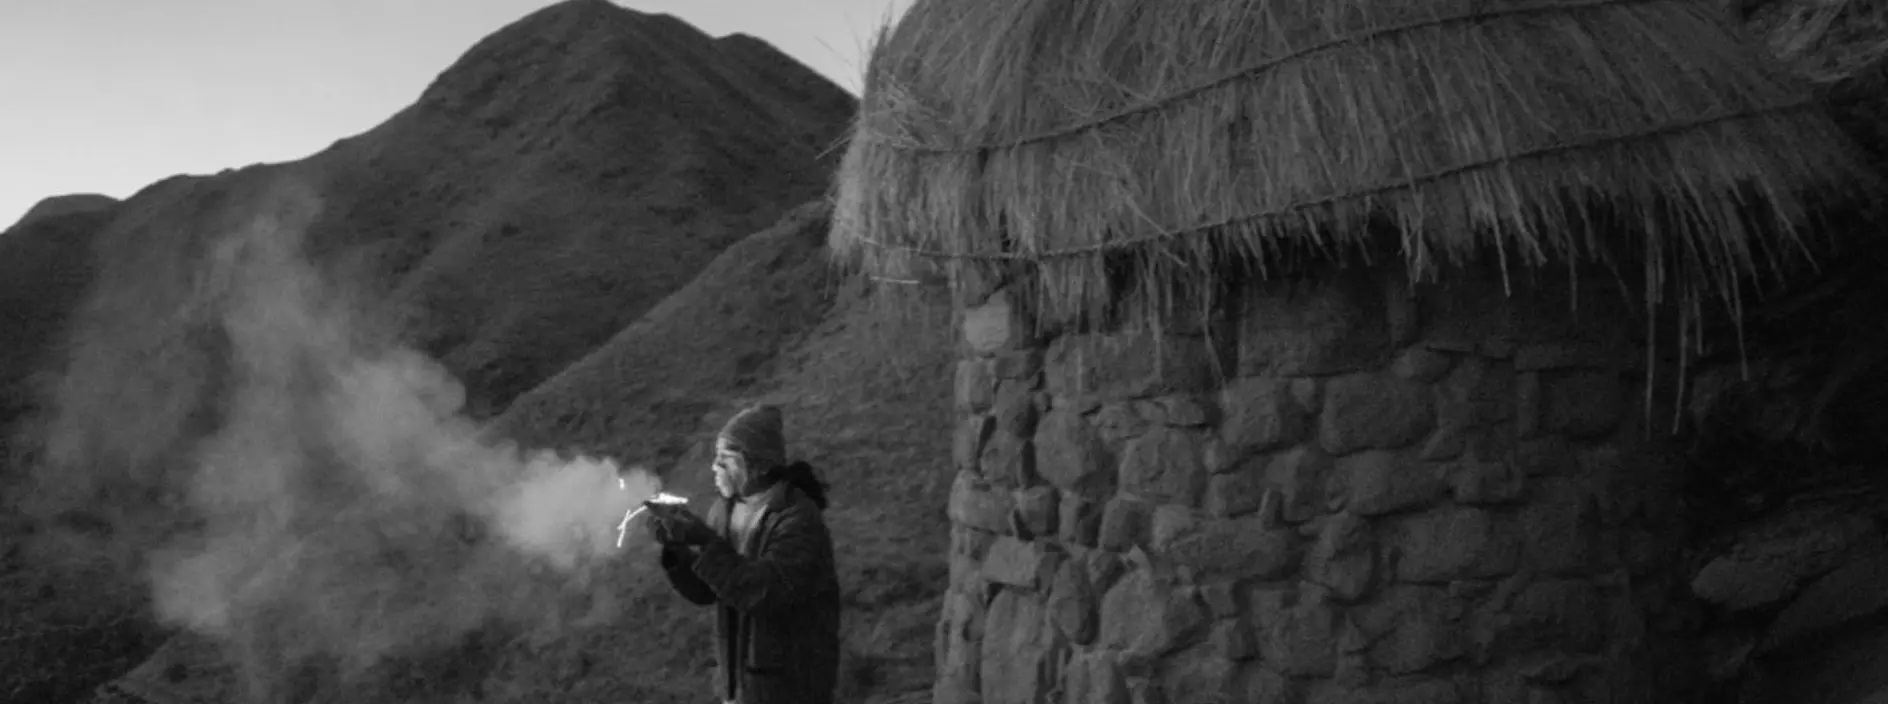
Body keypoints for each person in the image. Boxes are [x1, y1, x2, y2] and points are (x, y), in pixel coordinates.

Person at [646, 404, 842, 704]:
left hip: (792, 689)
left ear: (760, 464)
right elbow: (710, 590)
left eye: (725, 460)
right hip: (740, 688)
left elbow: (764, 591)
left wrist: (707, 541)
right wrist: (677, 551)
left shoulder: (796, 519)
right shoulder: (724, 510)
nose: (715, 467)